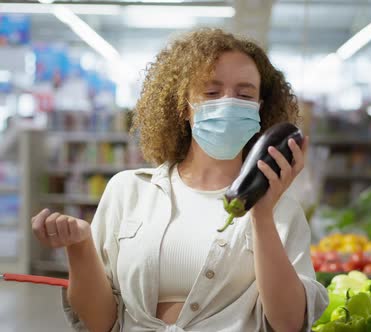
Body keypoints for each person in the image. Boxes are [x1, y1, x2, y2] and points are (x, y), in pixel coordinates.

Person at [31, 28, 328, 332]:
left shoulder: (282, 210)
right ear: (184, 105)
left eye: (244, 94)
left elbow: (290, 323)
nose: (227, 103)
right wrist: (79, 245)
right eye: (211, 93)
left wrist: (261, 215)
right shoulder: (127, 191)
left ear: (260, 108)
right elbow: (100, 321)